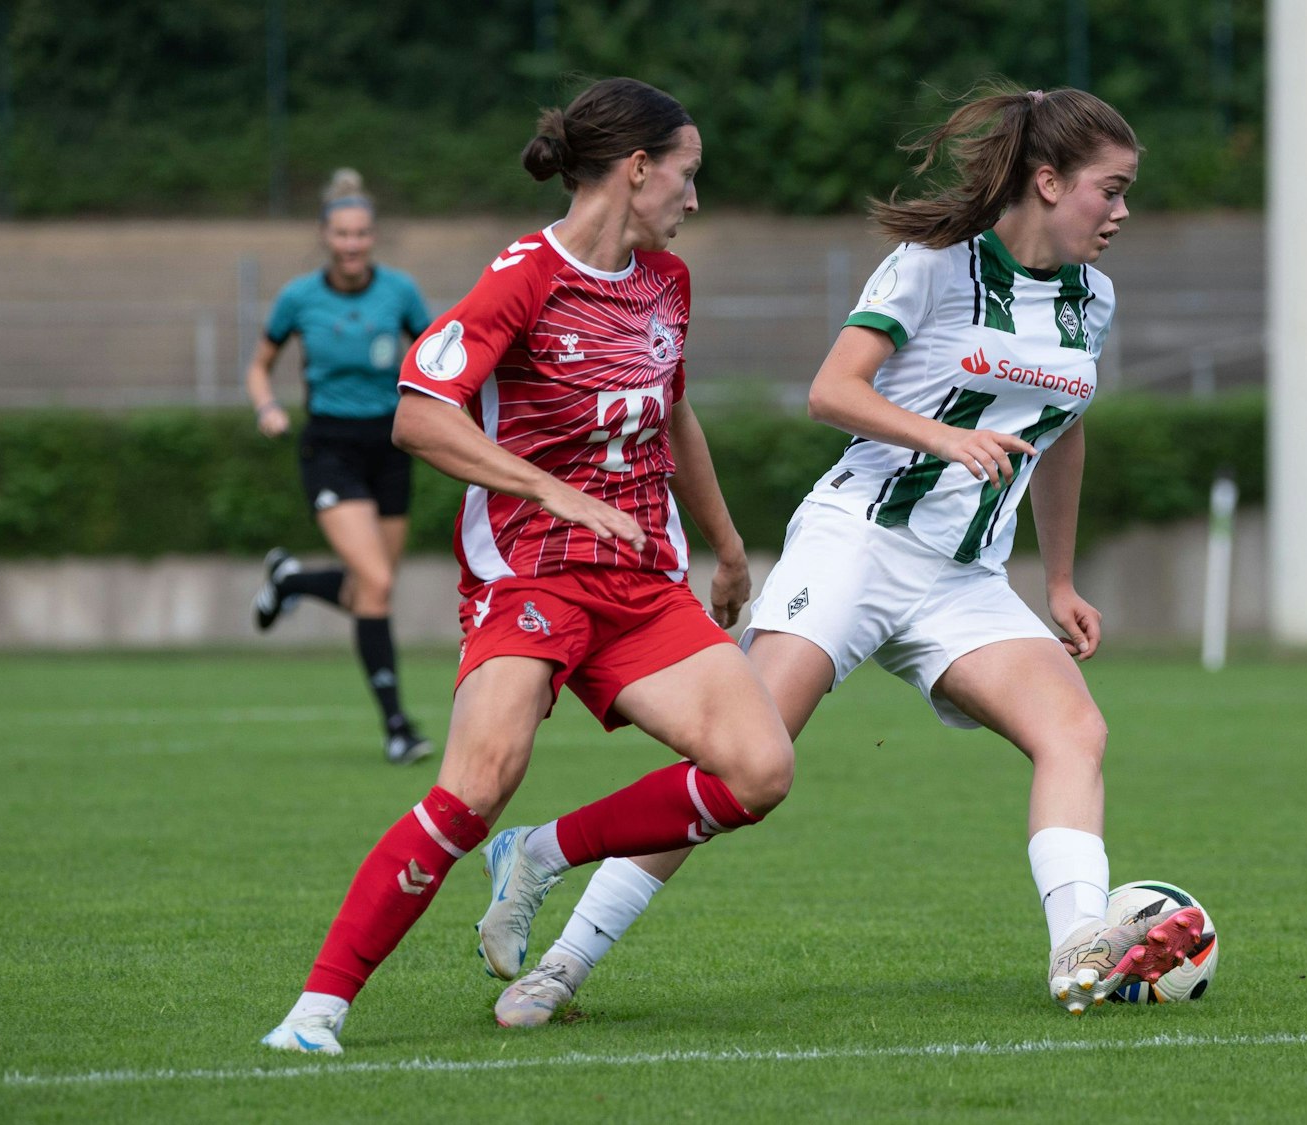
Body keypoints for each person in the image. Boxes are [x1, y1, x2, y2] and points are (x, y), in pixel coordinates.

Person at [483, 86, 1207, 1028]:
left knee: (1077, 731)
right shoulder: (936, 268)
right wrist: (940, 439)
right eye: (1109, 191)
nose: (1120, 213)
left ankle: (1077, 947)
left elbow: (1062, 433)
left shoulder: (1092, 301)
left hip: (963, 580)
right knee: (745, 762)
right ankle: (556, 930)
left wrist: (1059, 578)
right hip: (858, 541)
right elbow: (832, 391)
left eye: (1126, 195)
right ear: (1047, 180)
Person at [260, 77, 794, 1056]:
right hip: (529, 577)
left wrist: (723, 544)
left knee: (759, 770)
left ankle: (542, 855)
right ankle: (316, 1014)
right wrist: (551, 491)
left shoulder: (665, 282)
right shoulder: (522, 276)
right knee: (476, 782)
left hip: (641, 584)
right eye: (687, 175)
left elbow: (672, 415)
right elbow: (418, 412)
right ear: (637, 170)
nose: (693, 199)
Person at [245, 168, 438, 765]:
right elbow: (259, 366)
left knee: (367, 591)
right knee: (376, 586)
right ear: (326, 236)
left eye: (361, 234)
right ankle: (398, 727)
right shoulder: (298, 299)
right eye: (342, 234)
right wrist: (268, 406)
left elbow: (436, 355)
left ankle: (291, 582)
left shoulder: (399, 292)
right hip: (329, 447)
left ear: (371, 237)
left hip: (392, 446)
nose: (352, 244)